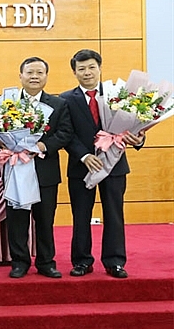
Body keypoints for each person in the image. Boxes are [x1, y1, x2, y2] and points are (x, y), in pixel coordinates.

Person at [61, 49, 144, 279]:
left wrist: (138, 138)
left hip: (114, 165)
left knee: (114, 214)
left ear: (99, 68)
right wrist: (84, 156)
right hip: (82, 167)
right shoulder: (65, 99)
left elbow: (133, 125)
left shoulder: (118, 95)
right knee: (80, 215)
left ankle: (114, 261)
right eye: (81, 69)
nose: (87, 72)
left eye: (91, 67)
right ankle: (82, 261)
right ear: (74, 72)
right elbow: (66, 134)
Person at [0, 57, 72, 279]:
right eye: (30, 72)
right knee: (17, 220)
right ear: (21, 76)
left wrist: (43, 145)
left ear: (46, 76)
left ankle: (46, 262)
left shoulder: (58, 104)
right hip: (15, 169)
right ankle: (19, 262)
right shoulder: (8, 103)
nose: (34, 77)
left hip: (45, 171)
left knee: (45, 220)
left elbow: (65, 133)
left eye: (39, 73)